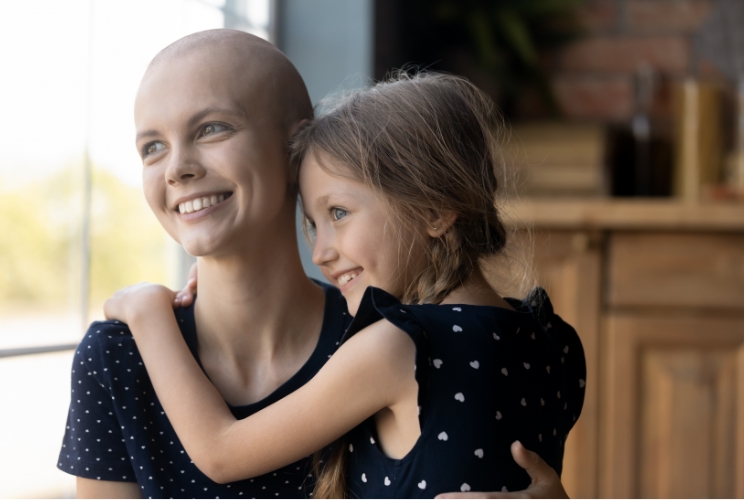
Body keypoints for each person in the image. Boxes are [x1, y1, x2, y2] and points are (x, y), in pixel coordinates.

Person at [100, 66, 585, 497]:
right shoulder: (553, 343)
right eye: (314, 223)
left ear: (435, 211)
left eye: (339, 213)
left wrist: (147, 312)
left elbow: (222, 454)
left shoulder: (397, 346)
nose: (321, 251)